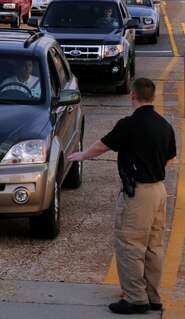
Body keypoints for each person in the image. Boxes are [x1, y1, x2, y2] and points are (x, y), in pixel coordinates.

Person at [68, 78, 176, 314]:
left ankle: (136, 299)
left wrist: (83, 155)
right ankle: (152, 295)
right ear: (153, 97)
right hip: (159, 190)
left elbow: (103, 145)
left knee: (130, 244)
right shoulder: (164, 125)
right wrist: (152, 167)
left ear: (132, 96)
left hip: (138, 193)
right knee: (153, 246)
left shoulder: (129, 124)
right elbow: (171, 157)